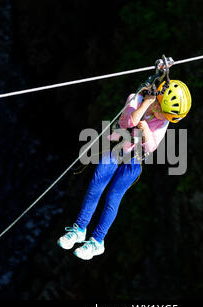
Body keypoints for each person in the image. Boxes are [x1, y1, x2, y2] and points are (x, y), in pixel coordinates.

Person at [57, 80, 192, 260]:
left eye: (167, 117)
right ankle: (79, 229)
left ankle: (97, 241)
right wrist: (145, 105)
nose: (163, 118)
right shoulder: (135, 100)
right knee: (95, 187)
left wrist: (146, 130)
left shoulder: (163, 122)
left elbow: (151, 147)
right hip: (116, 148)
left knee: (113, 197)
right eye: (163, 113)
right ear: (156, 101)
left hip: (133, 160)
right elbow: (128, 121)